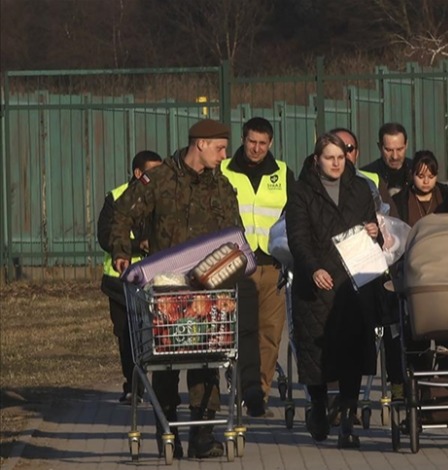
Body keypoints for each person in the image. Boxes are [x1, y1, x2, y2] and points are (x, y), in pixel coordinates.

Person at [110, 119, 242, 459]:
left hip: (208, 289)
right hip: (165, 288)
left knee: (207, 359)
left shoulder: (222, 188)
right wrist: (122, 253)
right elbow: (121, 214)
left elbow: (234, 236)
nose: (225, 155)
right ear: (199, 144)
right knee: (165, 362)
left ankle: (203, 433)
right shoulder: (160, 180)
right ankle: (167, 429)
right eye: (219, 148)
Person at [286, 132, 381, 449]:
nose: (336, 163)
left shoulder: (360, 189)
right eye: (330, 157)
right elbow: (297, 238)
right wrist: (314, 268)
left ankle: (348, 424)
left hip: (353, 283)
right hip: (317, 284)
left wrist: (374, 231)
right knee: (317, 354)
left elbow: (373, 229)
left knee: (352, 354)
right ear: (317, 160)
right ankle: (318, 407)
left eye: (341, 157)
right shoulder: (301, 192)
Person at [220, 117, 294, 417]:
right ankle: (239, 384)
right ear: (243, 138)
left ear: (271, 143)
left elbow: (295, 213)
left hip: (271, 264)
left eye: (263, 143)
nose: (257, 148)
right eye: (252, 141)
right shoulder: (224, 171)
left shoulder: (283, 173)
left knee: (270, 332)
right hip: (234, 265)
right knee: (238, 331)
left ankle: (257, 394)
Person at [386, 150, 448, 397]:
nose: (426, 181)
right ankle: (413, 377)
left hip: (446, 268)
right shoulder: (400, 201)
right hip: (415, 269)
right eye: (421, 176)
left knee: (445, 320)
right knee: (413, 324)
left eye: (431, 175)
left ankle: (444, 371)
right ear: (412, 176)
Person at [97, 150, 163, 405]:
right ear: (138, 173)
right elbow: (106, 237)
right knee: (126, 335)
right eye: (152, 171)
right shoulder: (116, 197)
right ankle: (134, 387)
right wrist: (138, 247)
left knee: (158, 335)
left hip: (155, 280)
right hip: (120, 281)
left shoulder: (163, 197)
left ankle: (160, 388)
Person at [330, 126, 398, 217]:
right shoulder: (314, 185)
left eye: (349, 148)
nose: (344, 154)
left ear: (357, 154)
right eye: (337, 148)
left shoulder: (373, 181)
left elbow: (391, 221)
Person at [361, 122, 413, 196]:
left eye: (399, 149)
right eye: (389, 150)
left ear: (406, 145)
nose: (395, 156)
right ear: (379, 147)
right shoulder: (366, 176)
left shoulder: (418, 171)